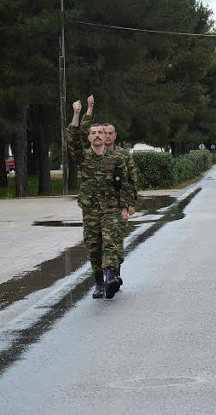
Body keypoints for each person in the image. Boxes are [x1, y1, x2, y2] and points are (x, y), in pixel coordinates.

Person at [67, 96, 133, 299]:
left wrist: (126, 207)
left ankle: (112, 277)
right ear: (89, 138)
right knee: (94, 247)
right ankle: (99, 282)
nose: (97, 136)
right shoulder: (83, 157)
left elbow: (125, 183)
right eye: (93, 133)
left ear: (106, 137)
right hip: (90, 209)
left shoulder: (116, 158)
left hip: (111, 208)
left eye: (100, 133)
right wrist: (77, 113)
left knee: (110, 241)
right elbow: (72, 137)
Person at [103, 122, 140, 285]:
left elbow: (132, 179)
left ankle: (115, 272)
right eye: (105, 133)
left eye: (111, 133)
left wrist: (131, 203)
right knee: (106, 240)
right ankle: (109, 275)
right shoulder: (96, 155)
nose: (108, 136)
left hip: (120, 203)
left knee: (116, 239)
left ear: (115, 135)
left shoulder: (124, 155)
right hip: (102, 205)